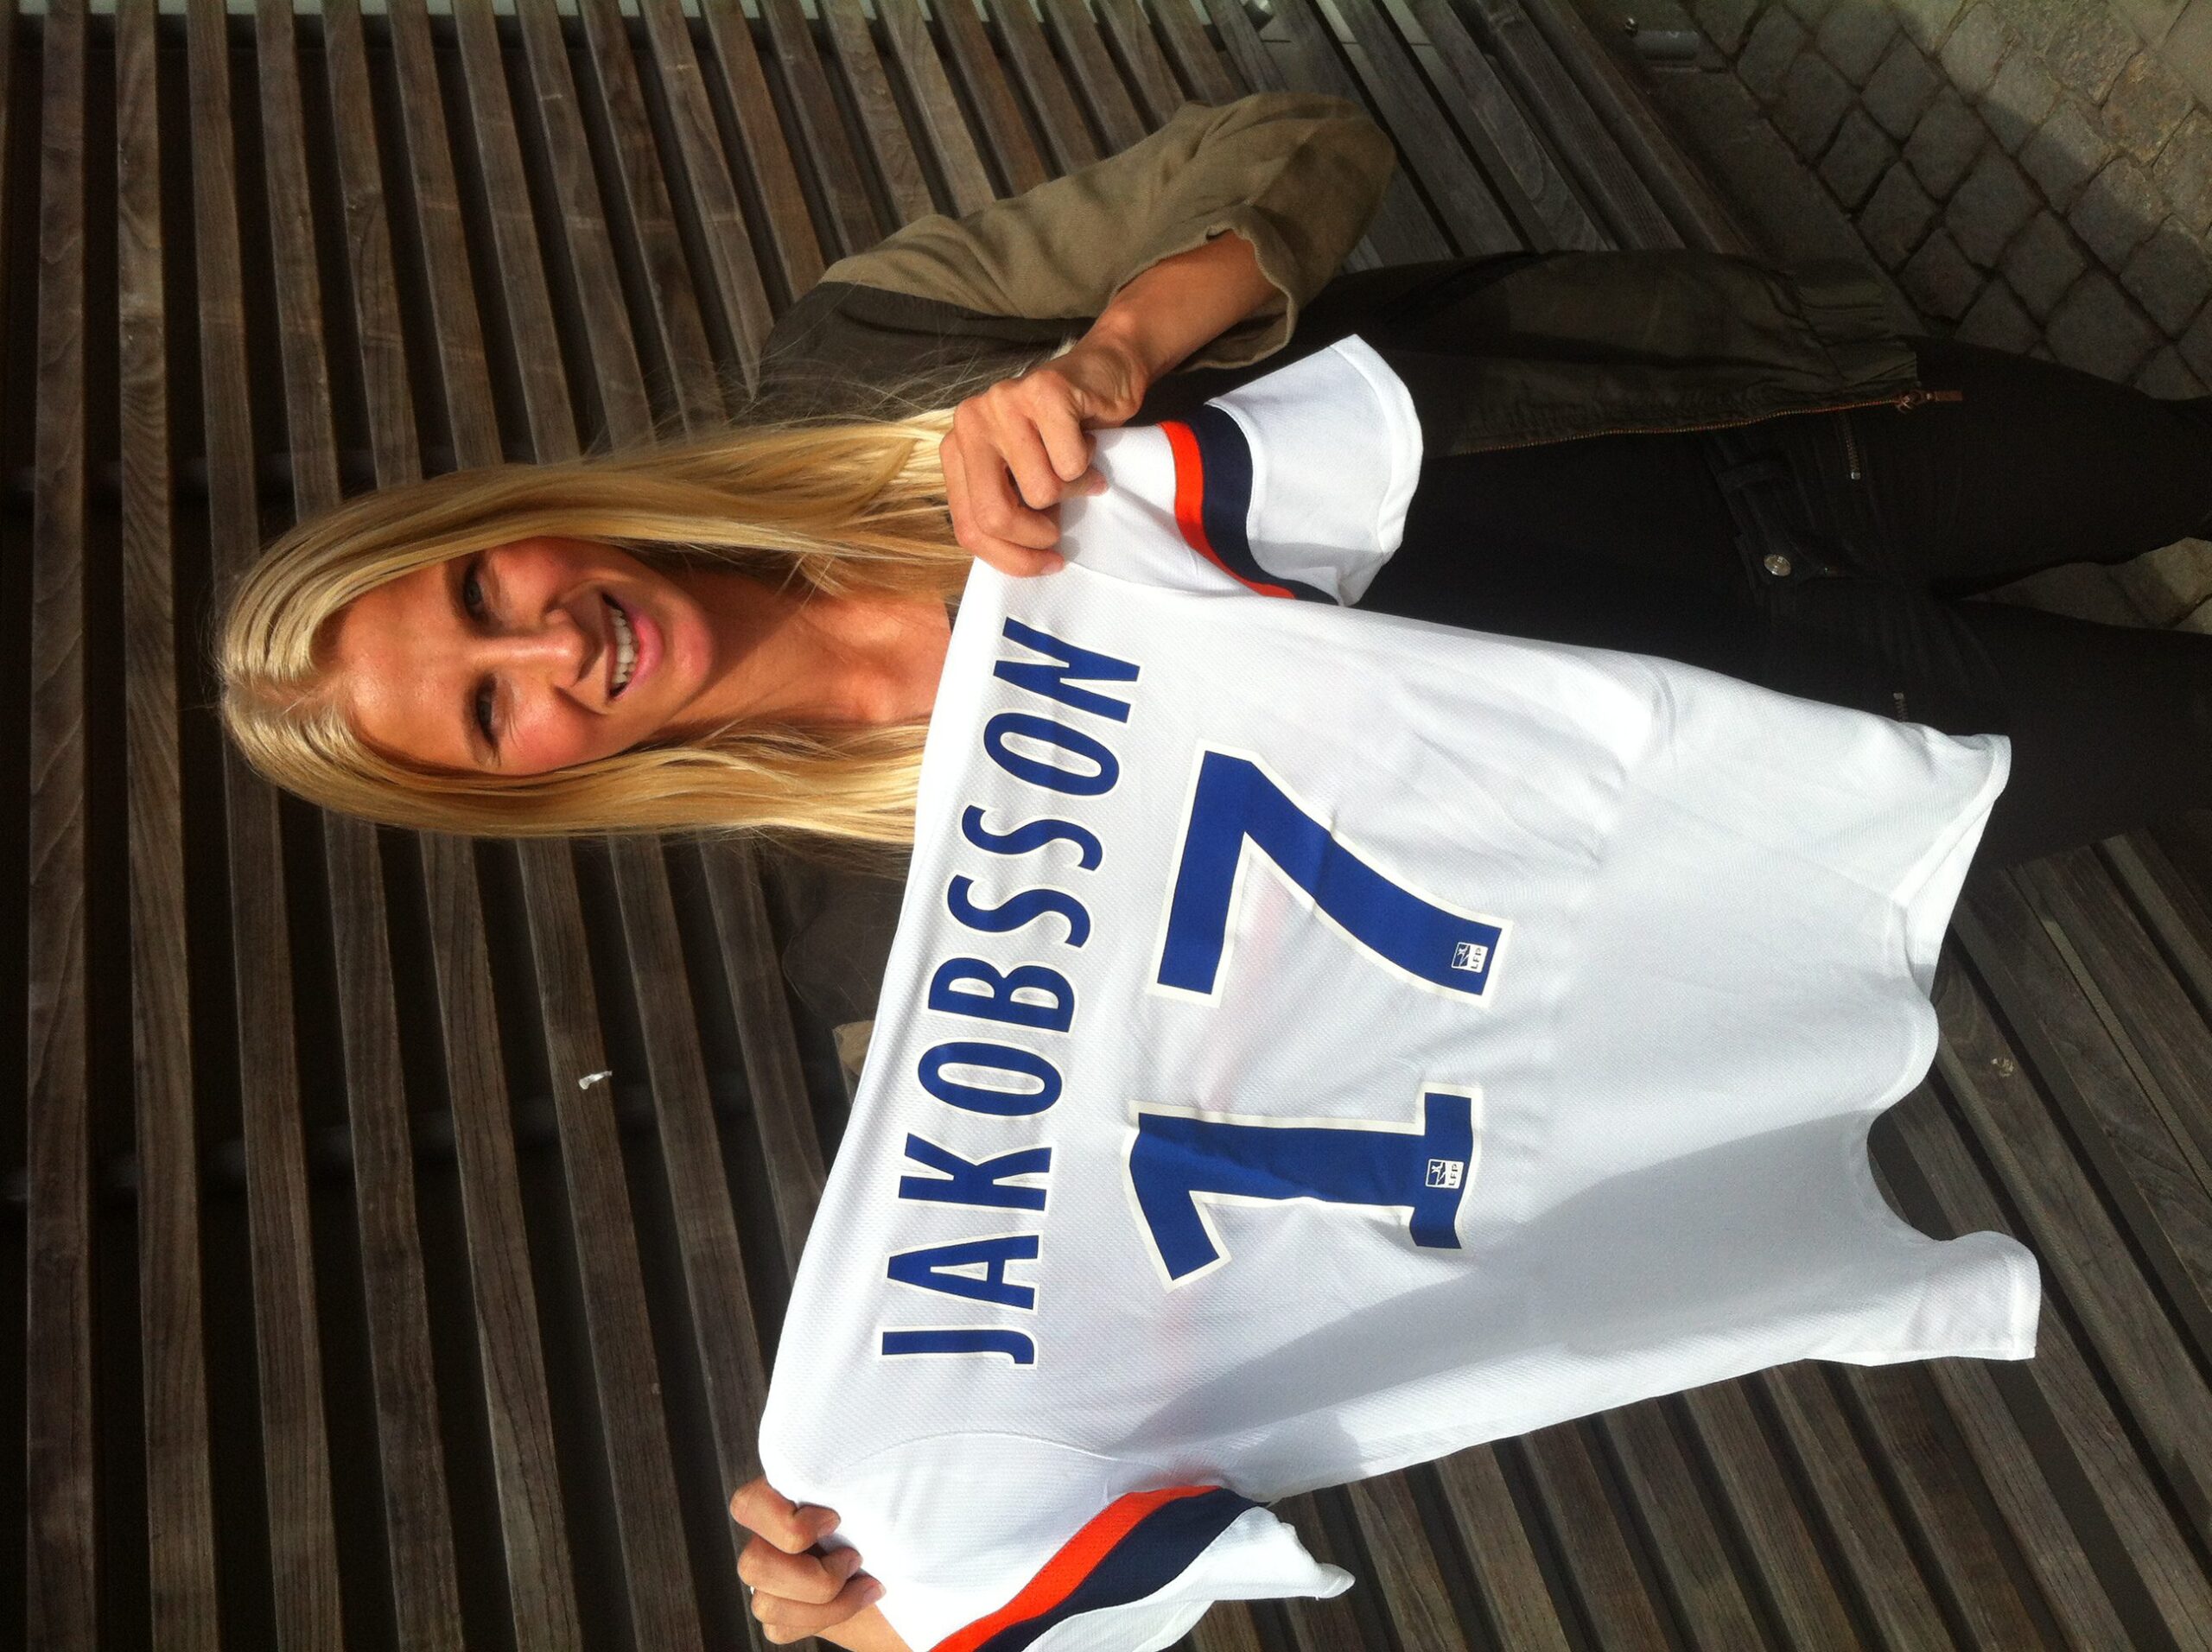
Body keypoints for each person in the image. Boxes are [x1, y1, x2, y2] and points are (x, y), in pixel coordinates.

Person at [215, 92, 2212, 1649]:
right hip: (1795, 773)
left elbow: (1299, 147)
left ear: (502, 517)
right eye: (488, 710)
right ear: (522, 789)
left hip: (1742, 447)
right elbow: (1153, 1303)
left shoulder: (870, 352)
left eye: (478, 594)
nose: (548, 645)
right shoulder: (898, 964)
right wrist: (900, 1556)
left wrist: (1110, 359)